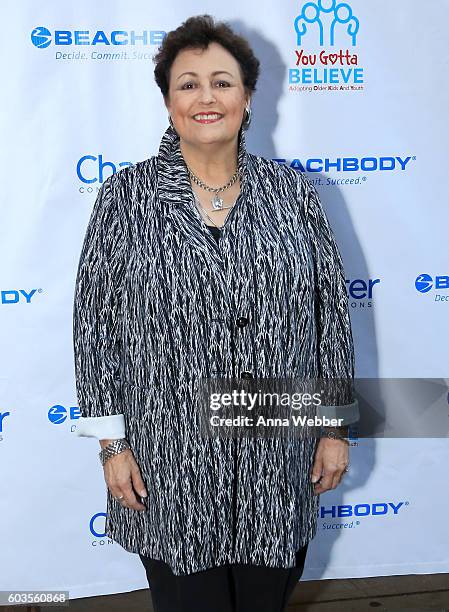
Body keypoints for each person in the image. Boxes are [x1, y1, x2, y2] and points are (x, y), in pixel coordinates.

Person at [72, 13, 359, 612]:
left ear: (248, 97)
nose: (207, 97)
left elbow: (331, 316)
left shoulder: (294, 195)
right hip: (168, 460)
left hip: (275, 460)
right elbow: (93, 331)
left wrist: (333, 427)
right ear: (169, 101)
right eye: (188, 83)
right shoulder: (126, 199)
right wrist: (110, 445)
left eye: (222, 82)